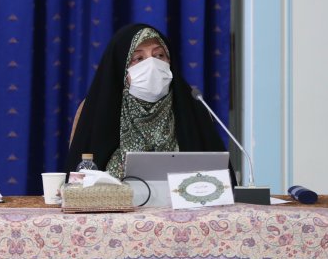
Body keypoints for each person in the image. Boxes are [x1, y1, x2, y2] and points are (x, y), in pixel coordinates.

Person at [65, 23, 229, 180]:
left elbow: (221, 181)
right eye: (138, 58)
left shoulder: (192, 107)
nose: (152, 64)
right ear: (121, 68)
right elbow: (77, 184)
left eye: (159, 55)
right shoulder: (101, 111)